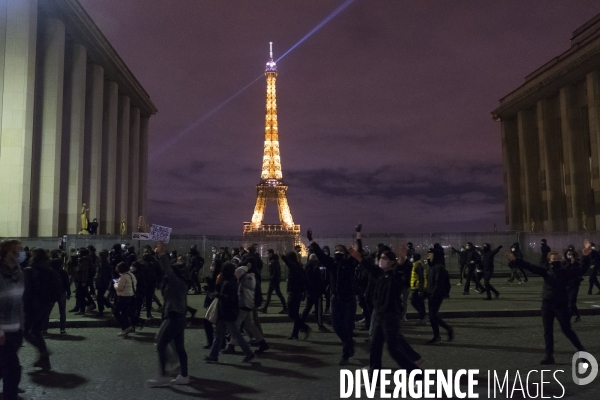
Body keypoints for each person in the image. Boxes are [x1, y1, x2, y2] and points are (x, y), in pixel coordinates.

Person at [348, 246, 423, 382]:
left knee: (393, 350)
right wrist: (357, 256)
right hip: (380, 315)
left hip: (390, 317)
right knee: (375, 347)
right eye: (380, 258)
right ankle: (374, 380)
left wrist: (403, 260)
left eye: (384, 259)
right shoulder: (380, 274)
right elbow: (368, 266)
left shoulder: (395, 276)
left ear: (391, 262)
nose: (381, 261)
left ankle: (417, 374)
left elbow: (402, 273)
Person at [508, 251, 585, 364]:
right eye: (554, 259)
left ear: (561, 260)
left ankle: (582, 352)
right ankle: (549, 356)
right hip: (547, 303)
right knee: (547, 331)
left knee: (567, 330)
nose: (556, 260)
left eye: (558, 258)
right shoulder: (545, 270)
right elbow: (531, 267)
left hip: (561, 304)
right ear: (549, 261)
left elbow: (582, 270)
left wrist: (587, 256)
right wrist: (516, 260)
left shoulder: (565, 271)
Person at [308, 228, 357, 366]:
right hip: (336, 298)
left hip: (348, 299)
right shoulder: (332, 264)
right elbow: (319, 254)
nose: (337, 251)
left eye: (340, 250)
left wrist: (358, 235)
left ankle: (346, 354)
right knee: (336, 326)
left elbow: (358, 254)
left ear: (346, 253)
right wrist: (311, 240)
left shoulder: (350, 264)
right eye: (336, 249)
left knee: (347, 327)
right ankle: (349, 343)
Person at [146, 241, 190, 387]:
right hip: (179, 317)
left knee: (160, 345)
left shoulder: (176, 283)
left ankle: (163, 376)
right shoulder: (181, 284)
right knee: (179, 348)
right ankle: (184, 375)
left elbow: (168, 271)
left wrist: (162, 254)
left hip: (173, 317)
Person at [204, 262, 256, 364]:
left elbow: (228, 298)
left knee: (234, 335)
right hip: (227, 312)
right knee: (220, 334)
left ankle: (249, 354)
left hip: (227, 313)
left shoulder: (229, 282)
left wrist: (217, 295)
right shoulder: (230, 280)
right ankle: (213, 355)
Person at [23, 248, 60, 370]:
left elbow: (27, 292)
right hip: (46, 304)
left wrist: (24, 306)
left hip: (33, 306)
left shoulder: (30, 270)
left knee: (25, 331)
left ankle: (44, 351)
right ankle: (44, 361)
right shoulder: (49, 270)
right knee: (36, 330)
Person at [224, 261, 269, 354]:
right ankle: (262, 343)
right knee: (250, 324)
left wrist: (245, 266)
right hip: (249, 302)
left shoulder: (243, 274)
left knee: (236, 325)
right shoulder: (252, 277)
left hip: (243, 303)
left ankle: (231, 346)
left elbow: (238, 272)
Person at [0, 240, 26, 400]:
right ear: (9, 253)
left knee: (5, 367)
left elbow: (20, 301)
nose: (23, 253)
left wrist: (22, 324)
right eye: (19, 250)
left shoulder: (19, 273)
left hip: (16, 329)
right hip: (2, 332)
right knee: (13, 370)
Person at [280, 251, 310, 340]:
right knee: (295, 314)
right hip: (298, 293)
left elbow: (288, 263)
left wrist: (282, 255)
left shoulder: (294, 267)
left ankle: (303, 327)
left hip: (294, 293)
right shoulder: (299, 266)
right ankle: (295, 334)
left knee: (292, 314)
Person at [425, 248, 453, 344]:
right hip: (431, 294)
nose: (428, 256)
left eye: (430, 254)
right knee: (433, 316)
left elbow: (438, 283)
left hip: (436, 295)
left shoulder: (438, 268)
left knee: (433, 316)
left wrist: (433, 294)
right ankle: (441, 334)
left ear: (435, 255)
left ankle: (442, 333)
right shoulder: (432, 267)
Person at [42, 250, 71, 335]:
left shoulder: (49, 272)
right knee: (62, 312)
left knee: (47, 312)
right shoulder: (63, 272)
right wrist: (68, 293)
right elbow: (67, 284)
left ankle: (44, 329)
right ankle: (62, 330)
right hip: (61, 293)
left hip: (51, 294)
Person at [301, 253, 327, 332]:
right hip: (317, 291)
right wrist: (324, 290)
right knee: (318, 310)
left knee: (307, 308)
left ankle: (301, 324)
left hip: (309, 291)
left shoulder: (306, 267)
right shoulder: (316, 267)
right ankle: (320, 325)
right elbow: (319, 280)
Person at [113, 262, 138, 337]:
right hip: (130, 295)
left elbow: (119, 288)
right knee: (124, 312)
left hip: (124, 296)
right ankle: (125, 329)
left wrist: (115, 283)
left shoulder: (123, 276)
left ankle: (126, 327)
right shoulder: (131, 274)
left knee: (116, 311)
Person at [202, 259, 223, 348]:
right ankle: (219, 343)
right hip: (212, 300)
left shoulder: (219, 275)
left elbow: (216, 288)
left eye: (213, 264)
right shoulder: (215, 274)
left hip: (216, 301)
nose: (211, 266)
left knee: (209, 321)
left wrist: (208, 283)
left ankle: (214, 343)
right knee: (217, 323)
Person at [261, 249, 288, 314]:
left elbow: (275, 272)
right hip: (274, 280)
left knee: (277, 294)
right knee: (270, 294)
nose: (267, 255)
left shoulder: (273, 262)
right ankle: (265, 308)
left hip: (274, 280)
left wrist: (272, 278)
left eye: (268, 253)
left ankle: (285, 308)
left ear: (271, 253)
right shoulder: (274, 261)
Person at [409, 253, 427, 324]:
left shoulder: (418, 266)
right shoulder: (417, 265)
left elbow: (421, 277)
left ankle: (423, 316)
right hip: (417, 287)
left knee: (414, 302)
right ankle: (423, 318)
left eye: (413, 257)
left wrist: (420, 288)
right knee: (420, 303)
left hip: (417, 288)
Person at [95, 250, 113, 317]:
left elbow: (103, 275)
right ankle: (102, 310)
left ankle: (109, 307)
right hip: (103, 283)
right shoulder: (104, 264)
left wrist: (100, 282)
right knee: (100, 297)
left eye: (99, 256)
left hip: (102, 283)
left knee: (100, 297)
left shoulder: (104, 265)